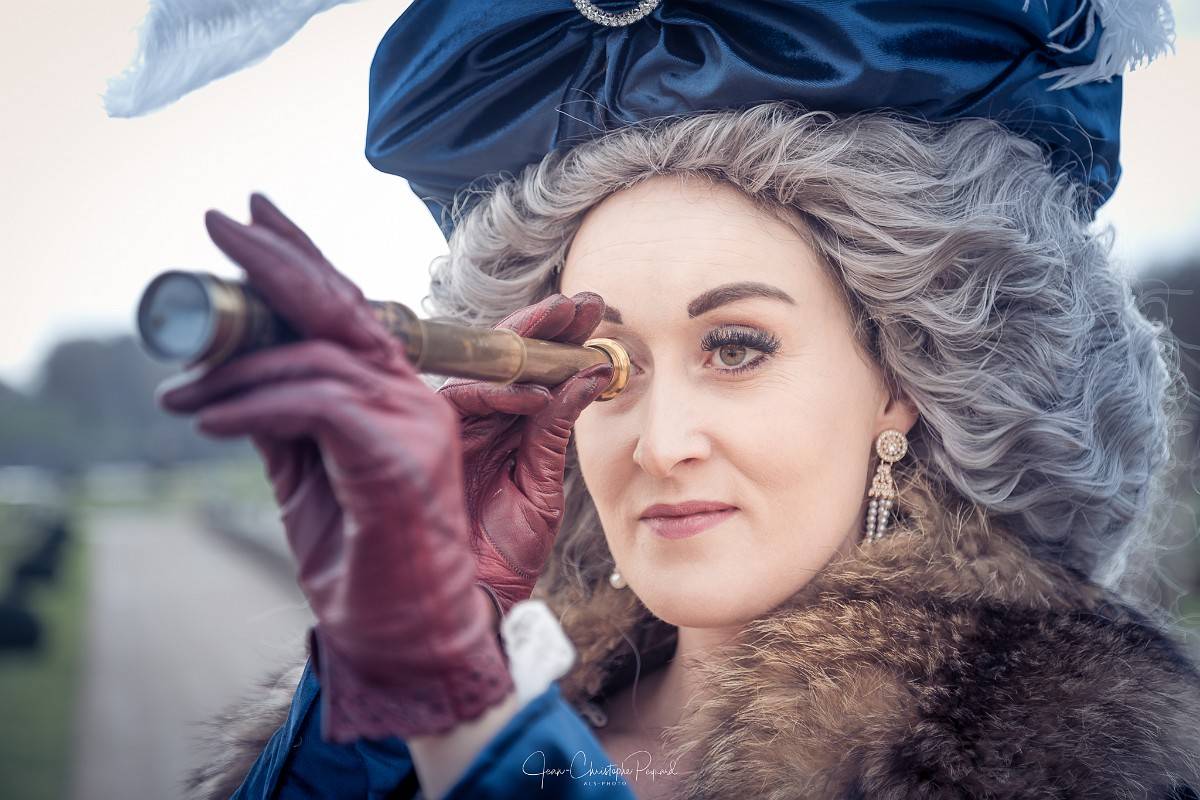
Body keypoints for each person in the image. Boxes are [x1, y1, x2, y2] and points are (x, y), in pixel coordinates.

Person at [146, 2, 1200, 798]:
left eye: (736, 348)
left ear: (904, 380)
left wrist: (462, 707)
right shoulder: (452, 722)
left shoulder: (1076, 756)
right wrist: (388, 679)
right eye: (604, 366)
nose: (660, 442)